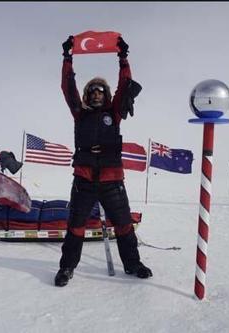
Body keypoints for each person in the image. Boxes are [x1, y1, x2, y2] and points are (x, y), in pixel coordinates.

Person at [55, 35, 153, 287]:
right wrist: (68, 59)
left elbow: (125, 84)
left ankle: (133, 264)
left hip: (112, 181)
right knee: (75, 227)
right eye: (92, 91)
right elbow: (68, 88)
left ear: (107, 95)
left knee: (123, 225)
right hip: (84, 180)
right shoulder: (80, 114)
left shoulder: (114, 114)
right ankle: (66, 267)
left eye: (101, 91)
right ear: (87, 96)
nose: (96, 94)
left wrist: (123, 58)